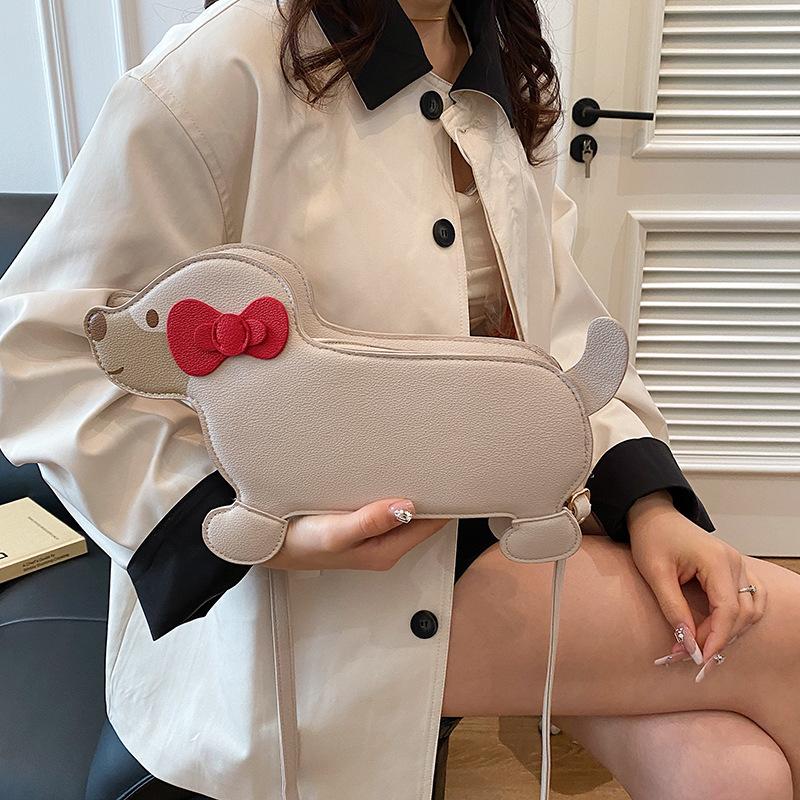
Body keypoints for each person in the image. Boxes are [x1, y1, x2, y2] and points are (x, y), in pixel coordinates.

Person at [0, 0, 798, 798]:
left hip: (489, 508)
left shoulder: (501, 60)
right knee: (786, 636)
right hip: (301, 597)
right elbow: (44, 354)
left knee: (736, 777)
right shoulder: (223, 69)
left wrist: (649, 502)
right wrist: (262, 534)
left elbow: (552, 318)